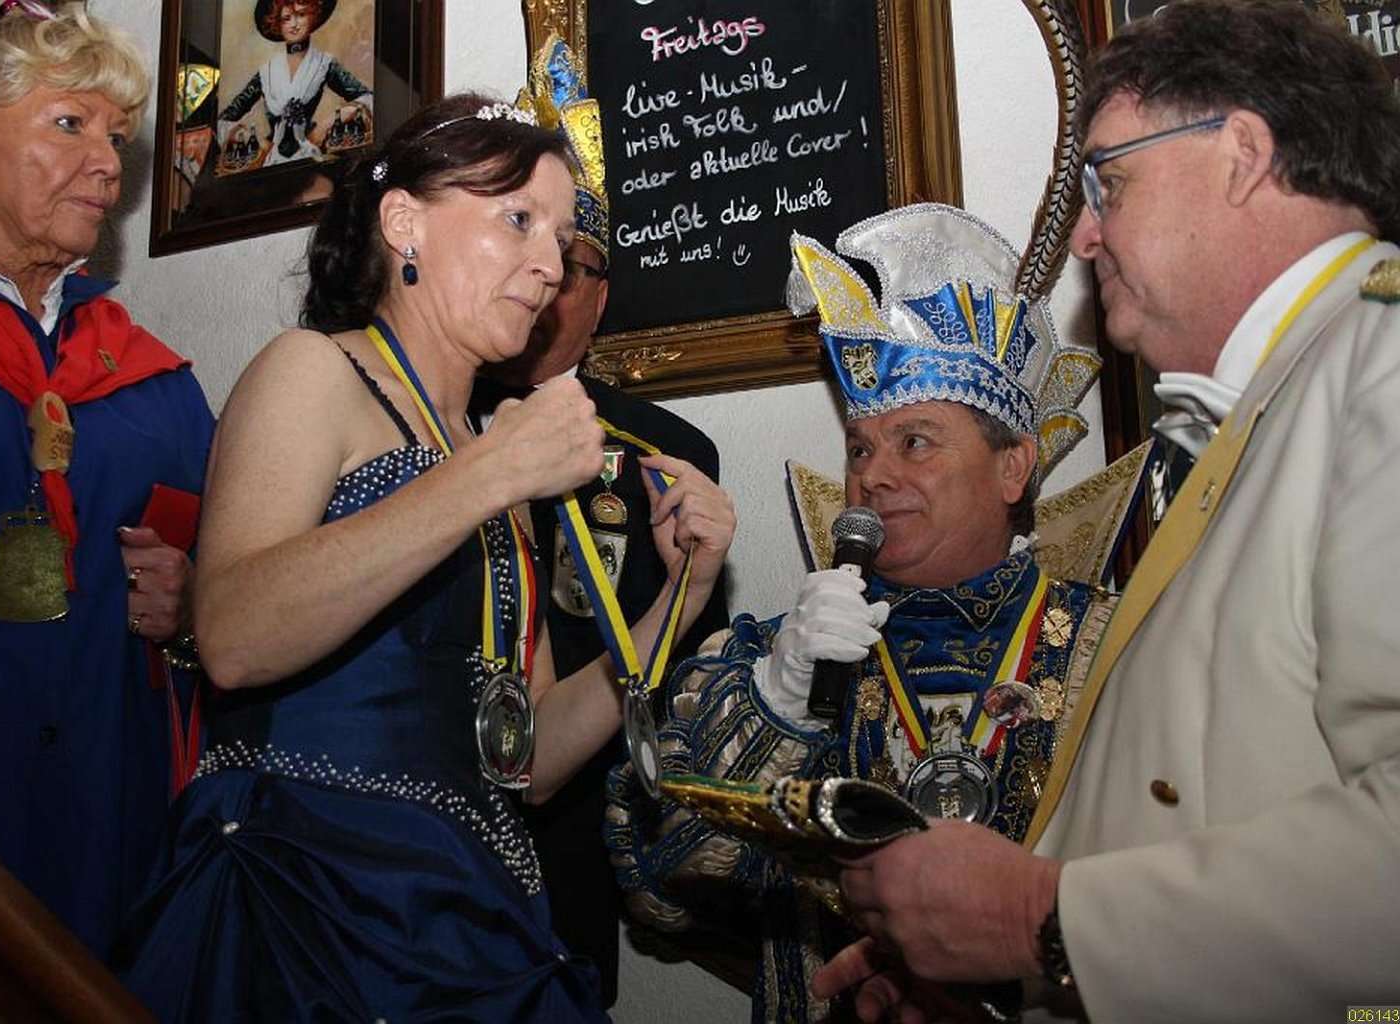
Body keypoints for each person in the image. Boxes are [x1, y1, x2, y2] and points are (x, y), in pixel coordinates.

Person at [814, 3, 1400, 1021]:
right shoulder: (1276, 406)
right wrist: (1007, 981)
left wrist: (1045, 921)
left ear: (1242, 155)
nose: (1086, 234)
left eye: (1108, 181)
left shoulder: (1380, 365)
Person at [115, 92, 735, 1022]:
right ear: (405, 222)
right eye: (519, 220)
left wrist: (677, 599)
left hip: (471, 911)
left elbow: (530, 756)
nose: (548, 266)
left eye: (562, 239)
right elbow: (233, 635)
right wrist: (486, 476)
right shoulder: (316, 370)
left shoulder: (487, 454)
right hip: (307, 901)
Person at [605, 202, 1114, 1023]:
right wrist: (775, 703)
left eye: (915, 441)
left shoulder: (1118, 647)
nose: (872, 475)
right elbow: (659, 884)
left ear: (1013, 467)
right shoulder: (778, 659)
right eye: (859, 448)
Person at [0, 0, 214, 962]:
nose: (107, 165)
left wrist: (192, 606)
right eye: (70, 123)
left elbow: (231, 598)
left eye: (115, 137)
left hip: (101, 836)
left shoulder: (156, 385)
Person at [466, 35, 732, 1010]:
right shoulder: (427, 416)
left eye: (571, 262)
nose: (542, 281)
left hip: (567, 840)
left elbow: (678, 682)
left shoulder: (669, 455)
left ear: (603, 292)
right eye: (519, 242)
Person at [216, 0, 372, 171]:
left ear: (313, 17)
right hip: (270, 165)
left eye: (301, 15)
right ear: (277, 23)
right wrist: (252, 139)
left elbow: (368, 98)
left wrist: (337, 118)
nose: (294, 24)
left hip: (311, 158)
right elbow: (224, 120)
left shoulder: (323, 64)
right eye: (286, 18)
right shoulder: (267, 72)